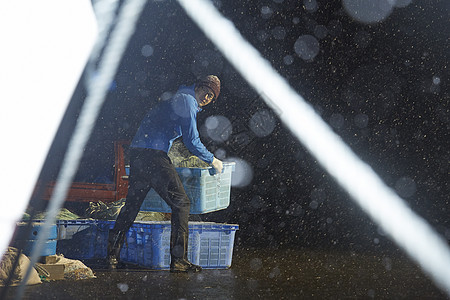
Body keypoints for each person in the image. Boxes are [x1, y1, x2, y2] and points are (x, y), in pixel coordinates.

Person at [107, 75, 223, 273]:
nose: (206, 97)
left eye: (211, 97)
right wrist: (212, 160)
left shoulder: (180, 97)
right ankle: (179, 260)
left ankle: (111, 256)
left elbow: (168, 130)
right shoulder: (187, 100)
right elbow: (192, 141)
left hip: (139, 153)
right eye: (206, 91)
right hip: (152, 155)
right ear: (199, 86)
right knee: (182, 203)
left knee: (133, 205)